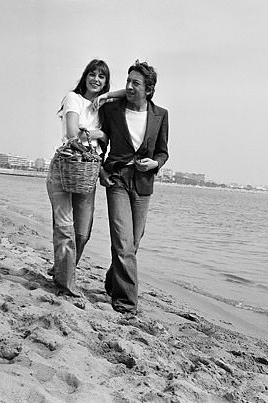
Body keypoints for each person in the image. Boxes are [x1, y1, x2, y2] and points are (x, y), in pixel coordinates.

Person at [46, 59, 124, 296]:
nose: (96, 80)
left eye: (102, 76)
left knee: (82, 232)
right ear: (85, 76)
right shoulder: (73, 99)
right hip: (64, 168)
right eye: (92, 74)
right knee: (64, 228)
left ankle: (63, 269)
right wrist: (98, 133)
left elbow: (128, 95)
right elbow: (72, 134)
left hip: (87, 173)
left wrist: (109, 96)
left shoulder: (103, 107)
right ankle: (66, 283)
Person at [99, 60, 169, 315]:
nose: (129, 86)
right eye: (127, 81)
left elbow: (163, 152)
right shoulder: (112, 111)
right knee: (122, 242)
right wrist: (101, 170)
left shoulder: (161, 115)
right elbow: (100, 146)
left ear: (148, 89)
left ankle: (112, 282)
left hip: (143, 183)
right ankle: (126, 303)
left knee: (133, 243)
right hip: (117, 179)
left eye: (135, 83)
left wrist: (155, 163)